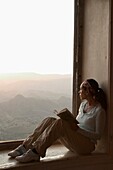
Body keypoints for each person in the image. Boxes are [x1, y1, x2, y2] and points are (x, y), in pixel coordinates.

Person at [8, 78, 106, 163]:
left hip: (85, 146)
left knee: (60, 123)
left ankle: (36, 152)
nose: (79, 92)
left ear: (88, 91)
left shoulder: (99, 111)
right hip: (75, 142)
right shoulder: (83, 105)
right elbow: (79, 123)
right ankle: (25, 147)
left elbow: (98, 135)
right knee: (49, 120)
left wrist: (77, 130)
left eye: (81, 89)